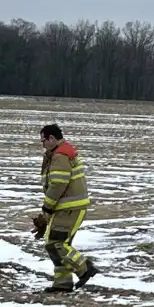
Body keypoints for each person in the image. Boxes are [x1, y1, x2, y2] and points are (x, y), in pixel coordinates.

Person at [33, 123, 99, 293]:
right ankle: (62, 283)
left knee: (57, 243)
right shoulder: (60, 153)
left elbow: (57, 185)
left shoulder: (60, 156)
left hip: (70, 208)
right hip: (66, 208)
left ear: (52, 138)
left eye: (44, 141)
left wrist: (46, 209)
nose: (43, 145)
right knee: (52, 244)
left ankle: (85, 267)